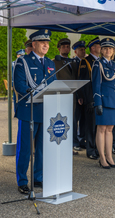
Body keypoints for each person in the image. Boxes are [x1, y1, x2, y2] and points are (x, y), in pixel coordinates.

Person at [14, 29, 56, 194]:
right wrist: (35, 93)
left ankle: (38, 178)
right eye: (42, 42)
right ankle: (22, 181)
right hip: (29, 111)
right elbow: (19, 85)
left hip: (46, 112)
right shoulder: (23, 61)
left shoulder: (51, 63)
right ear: (34, 44)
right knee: (25, 148)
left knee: (42, 148)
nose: (46, 45)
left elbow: (54, 85)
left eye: (47, 42)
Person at [92, 38, 115, 169]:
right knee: (102, 129)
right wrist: (97, 102)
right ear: (102, 50)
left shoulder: (114, 65)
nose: (108, 50)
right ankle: (102, 158)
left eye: (110, 48)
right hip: (103, 101)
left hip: (114, 101)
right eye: (105, 48)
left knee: (110, 130)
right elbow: (96, 85)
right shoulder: (97, 64)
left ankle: (109, 156)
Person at [78, 37, 101, 160]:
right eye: (99, 45)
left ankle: (98, 148)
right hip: (91, 98)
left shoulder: (101, 61)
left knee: (99, 126)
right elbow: (83, 82)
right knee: (91, 126)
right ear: (93, 48)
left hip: (100, 99)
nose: (101, 48)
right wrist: (87, 99)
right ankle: (91, 149)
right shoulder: (85, 61)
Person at [72, 41, 87, 150]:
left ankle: (82, 139)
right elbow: (75, 80)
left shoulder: (86, 62)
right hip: (77, 95)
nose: (83, 51)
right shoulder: (73, 62)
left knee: (84, 120)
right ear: (75, 51)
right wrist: (78, 96)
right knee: (75, 119)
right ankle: (75, 142)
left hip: (85, 95)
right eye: (81, 50)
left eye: (84, 49)